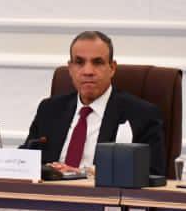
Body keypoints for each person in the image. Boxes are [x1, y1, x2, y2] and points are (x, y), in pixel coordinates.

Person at [23, 30, 166, 177]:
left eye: (97, 62)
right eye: (79, 62)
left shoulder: (142, 115)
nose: (88, 71)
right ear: (70, 68)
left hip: (102, 192)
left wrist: (85, 173)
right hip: (49, 190)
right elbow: (23, 161)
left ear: (112, 68)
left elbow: (153, 174)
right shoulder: (49, 110)